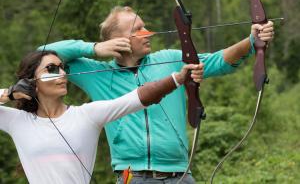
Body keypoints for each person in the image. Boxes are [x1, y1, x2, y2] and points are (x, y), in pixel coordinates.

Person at [40, 6, 274, 183]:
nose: (147, 33)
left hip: (180, 174)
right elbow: (40, 57)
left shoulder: (168, 60)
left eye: (145, 26)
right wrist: (92, 48)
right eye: (138, 29)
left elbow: (217, 61)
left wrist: (252, 41)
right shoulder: (97, 73)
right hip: (133, 176)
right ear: (118, 40)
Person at [0, 50, 203, 184]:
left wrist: (177, 78)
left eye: (62, 67)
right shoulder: (18, 121)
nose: (62, 74)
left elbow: (136, 98)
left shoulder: (86, 115)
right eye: (52, 69)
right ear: (30, 80)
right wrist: (9, 94)